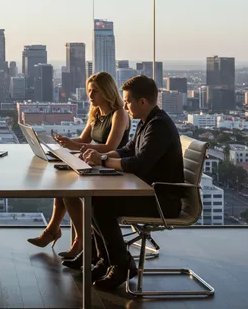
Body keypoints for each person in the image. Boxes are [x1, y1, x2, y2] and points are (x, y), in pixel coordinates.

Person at [79, 75, 184, 290]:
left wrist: (105, 160)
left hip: (164, 200)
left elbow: (139, 164)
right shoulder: (147, 122)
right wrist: (101, 157)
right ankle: (106, 260)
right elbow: (128, 150)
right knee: (93, 199)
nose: (125, 105)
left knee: (100, 203)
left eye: (127, 101)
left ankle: (121, 265)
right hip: (148, 192)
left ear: (143, 102)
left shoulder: (159, 126)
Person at [26, 71, 129, 261]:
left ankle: (80, 239)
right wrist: (62, 143)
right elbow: (83, 139)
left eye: (95, 91)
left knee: (68, 191)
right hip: (95, 165)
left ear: (107, 91)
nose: (90, 95)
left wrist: (76, 146)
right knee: (61, 181)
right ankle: (55, 230)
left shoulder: (119, 114)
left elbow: (110, 147)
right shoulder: (96, 113)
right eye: (89, 91)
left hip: (112, 169)